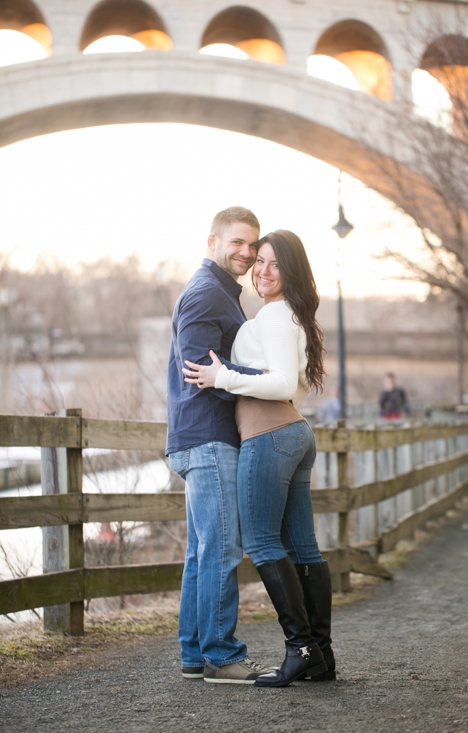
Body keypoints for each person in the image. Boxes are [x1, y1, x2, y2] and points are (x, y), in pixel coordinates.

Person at [183, 229, 335, 688]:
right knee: (303, 548)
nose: (263, 271)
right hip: (293, 434)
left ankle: (301, 649)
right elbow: (299, 386)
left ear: (292, 271)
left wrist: (221, 376)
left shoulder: (273, 315)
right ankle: (320, 657)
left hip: (269, 435)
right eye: (260, 262)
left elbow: (284, 385)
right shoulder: (293, 316)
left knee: (264, 543)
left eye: (274, 263)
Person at [166, 206, 273, 684]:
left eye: (252, 245)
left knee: (202, 552)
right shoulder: (208, 294)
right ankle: (221, 655)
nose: (247, 254)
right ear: (213, 242)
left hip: (199, 436)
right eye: (237, 243)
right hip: (208, 437)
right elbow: (198, 368)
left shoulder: (221, 294)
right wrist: (268, 379)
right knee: (223, 549)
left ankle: (195, 653)